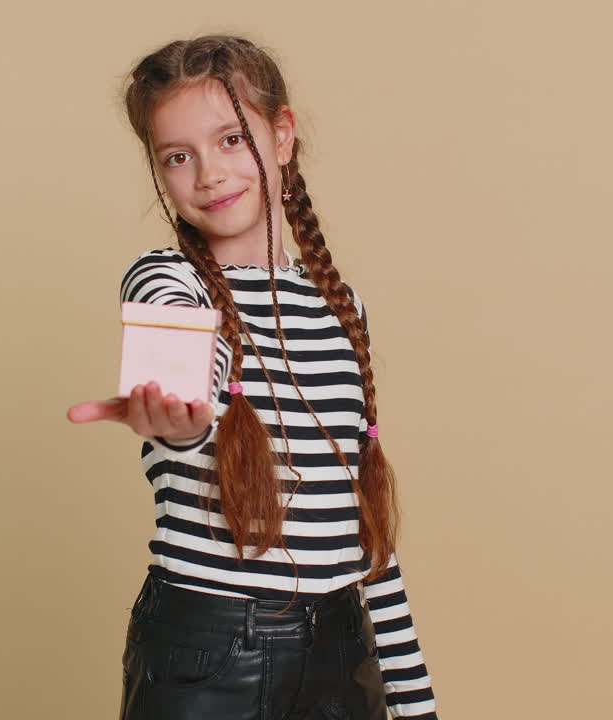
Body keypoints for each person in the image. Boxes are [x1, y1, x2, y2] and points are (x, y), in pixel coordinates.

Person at [67, 34, 441, 720]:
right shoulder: (168, 280)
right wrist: (181, 415)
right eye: (178, 157)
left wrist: (415, 704)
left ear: (282, 136)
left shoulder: (342, 306)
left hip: (343, 652)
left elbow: (368, 541)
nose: (208, 174)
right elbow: (185, 365)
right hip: (207, 656)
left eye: (232, 141)